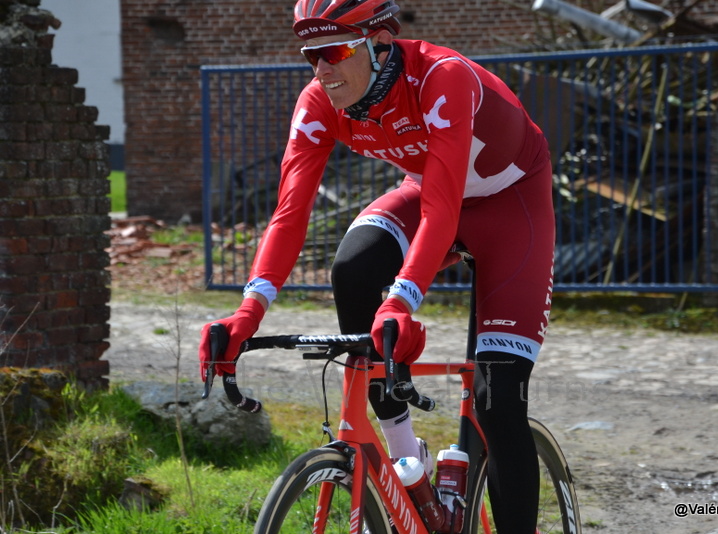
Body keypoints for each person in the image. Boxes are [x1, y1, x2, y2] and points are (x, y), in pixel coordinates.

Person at [199, 0, 556, 532]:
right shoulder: (320, 102)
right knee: (354, 267)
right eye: (310, 55)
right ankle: (405, 460)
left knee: (497, 401)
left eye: (333, 51)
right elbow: (289, 215)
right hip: (429, 195)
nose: (320, 69)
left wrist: (402, 300)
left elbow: (443, 208)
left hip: (510, 208)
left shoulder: (442, 76)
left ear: (380, 44)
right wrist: (247, 313)